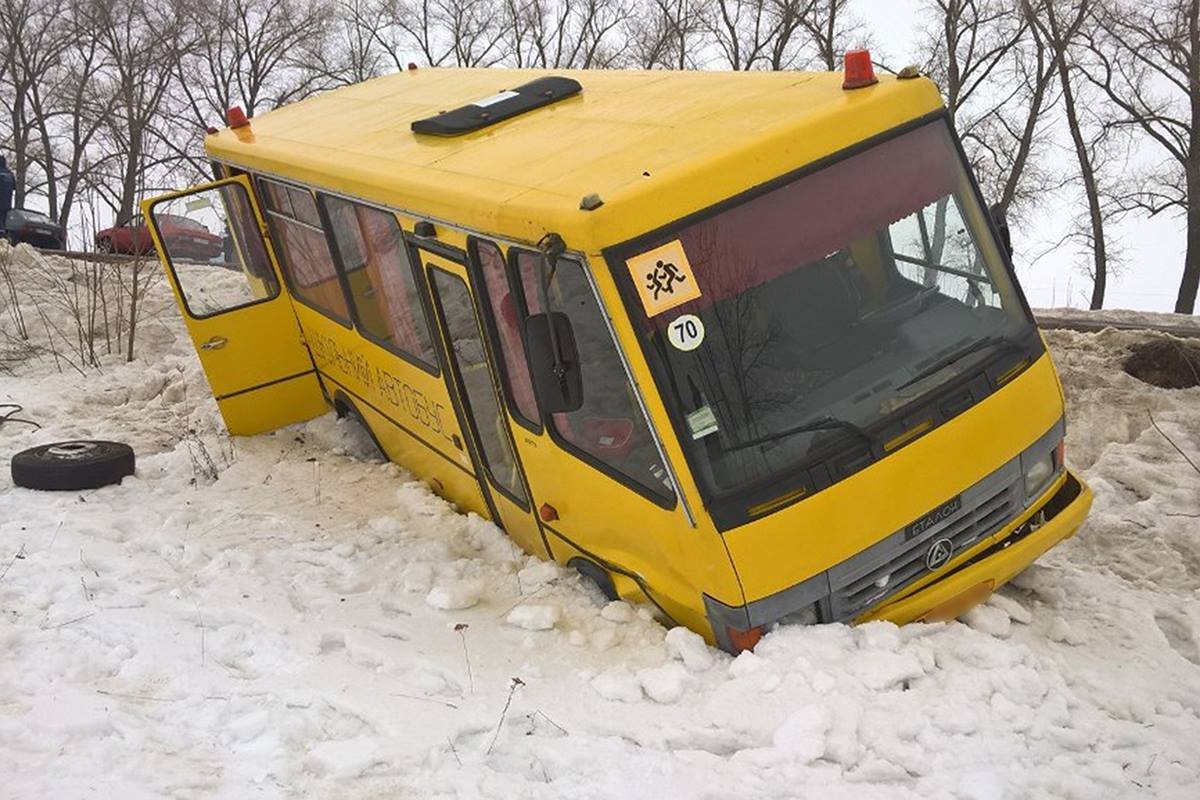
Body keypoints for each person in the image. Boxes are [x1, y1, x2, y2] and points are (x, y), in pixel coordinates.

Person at [0, 156, 15, 232]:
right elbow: (14, 187)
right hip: (7, 202)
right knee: (2, 220)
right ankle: (2, 234)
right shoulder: (10, 174)